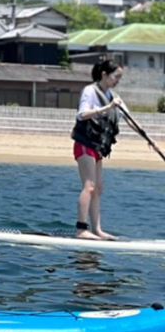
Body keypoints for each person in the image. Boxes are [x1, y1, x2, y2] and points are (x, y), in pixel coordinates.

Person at [72, 58, 124, 241]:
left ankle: (97, 230)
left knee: (98, 188)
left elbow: (128, 116)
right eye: (116, 76)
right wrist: (107, 107)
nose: (118, 80)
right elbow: (82, 114)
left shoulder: (112, 95)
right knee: (89, 186)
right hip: (84, 144)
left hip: (97, 148)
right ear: (104, 75)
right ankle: (81, 230)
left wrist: (150, 140)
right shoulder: (90, 91)